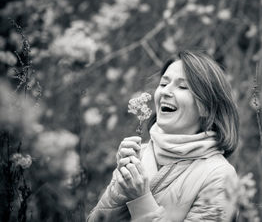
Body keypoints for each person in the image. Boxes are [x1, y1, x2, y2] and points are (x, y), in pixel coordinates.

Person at [87, 51, 239, 221]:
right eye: (164, 83)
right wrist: (120, 188)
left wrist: (140, 199)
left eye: (182, 87)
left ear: (206, 107)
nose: (166, 91)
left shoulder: (219, 175)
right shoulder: (139, 155)